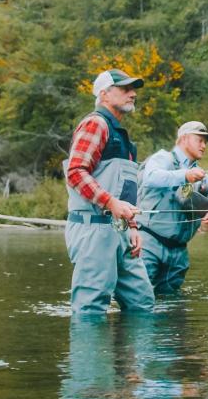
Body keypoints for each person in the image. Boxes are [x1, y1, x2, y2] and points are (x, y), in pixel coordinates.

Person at [63, 68, 155, 315]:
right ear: (104, 95)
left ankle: (130, 344)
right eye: (125, 89)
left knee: (142, 304)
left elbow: (124, 189)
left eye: (133, 89)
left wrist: (133, 227)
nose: (133, 94)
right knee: (90, 308)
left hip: (120, 231)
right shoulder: (96, 123)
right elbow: (75, 172)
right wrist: (111, 203)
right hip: (93, 229)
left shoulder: (121, 137)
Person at [135, 121, 208, 295]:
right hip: (149, 243)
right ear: (184, 139)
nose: (204, 146)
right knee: (138, 297)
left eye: (206, 142)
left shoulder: (203, 176)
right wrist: (185, 175)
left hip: (179, 252)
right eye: (200, 140)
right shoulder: (162, 158)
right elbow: (150, 178)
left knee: (172, 303)